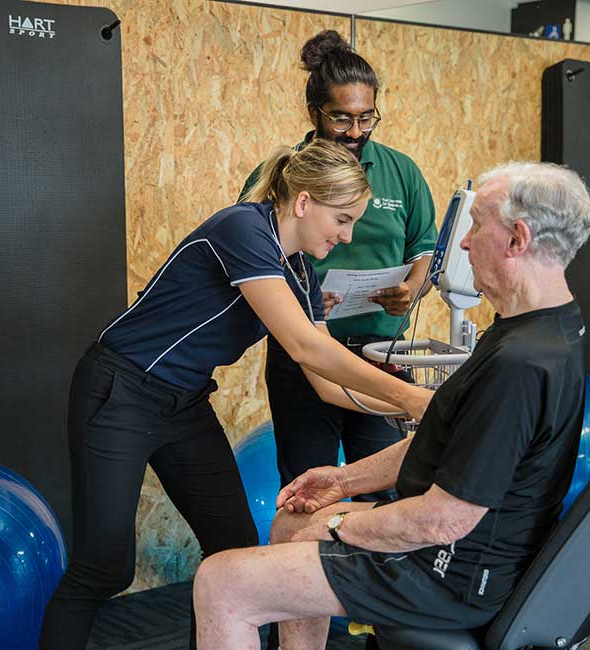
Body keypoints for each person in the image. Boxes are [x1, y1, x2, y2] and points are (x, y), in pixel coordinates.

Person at [38, 139, 433, 650]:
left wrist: (422, 409)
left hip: (183, 404)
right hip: (121, 390)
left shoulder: (303, 273)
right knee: (105, 566)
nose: (347, 234)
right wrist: (410, 398)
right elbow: (307, 348)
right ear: (306, 202)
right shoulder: (243, 228)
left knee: (237, 553)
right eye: (341, 219)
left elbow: (326, 385)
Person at [194, 162, 590, 650]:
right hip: (456, 551)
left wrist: (342, 525)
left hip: (447, 572)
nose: (465, 244)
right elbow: (445, 439)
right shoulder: (542, 325)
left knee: (221, 582)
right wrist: (342, 481)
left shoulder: (521, 364)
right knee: (291, 522)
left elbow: (442, 520)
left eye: (476, 226)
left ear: (517, 239)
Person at [239, 30, 438, 506]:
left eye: (366, 117)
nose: (355, 131)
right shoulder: (282, 174)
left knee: (391, 487)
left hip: (378, 350)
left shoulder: (400, 171)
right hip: (305, 351)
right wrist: (304, 297)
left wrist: (413, 287)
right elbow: (253, 258)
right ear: (315, 115)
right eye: (342, 119)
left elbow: (425, 250)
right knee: (308, 488)